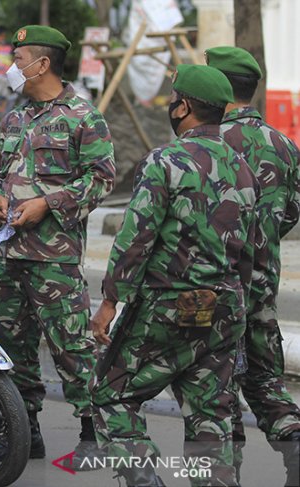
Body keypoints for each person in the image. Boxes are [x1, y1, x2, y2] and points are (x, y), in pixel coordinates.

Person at [89, 64, 259, 486]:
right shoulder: (243, 166)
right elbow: (250, 247)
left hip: (168, 307)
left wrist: (110, 301)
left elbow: (135, 238)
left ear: (183, 107)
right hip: (224, 306)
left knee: (111, 396)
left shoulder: (164, 161)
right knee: (211, 414)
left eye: (172, 98)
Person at [0, 25, 116, 463]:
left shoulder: (83, 117)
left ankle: (92, 432)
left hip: (54, 259)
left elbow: (101, 180)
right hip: (11, 255)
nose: (11, 68)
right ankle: (25, 431)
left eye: (17, 60)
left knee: (73, 347)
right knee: (12, 347)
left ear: (41, 64)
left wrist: (48, 203)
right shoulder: (16, 117)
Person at [206, 45, 300, 486]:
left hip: (213, 290)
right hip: (261, 286)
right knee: (265, 380)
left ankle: (226, 475)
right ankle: (294, 442)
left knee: (214, 391)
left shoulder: (206, 142)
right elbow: (293, 212)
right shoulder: (284, 144)